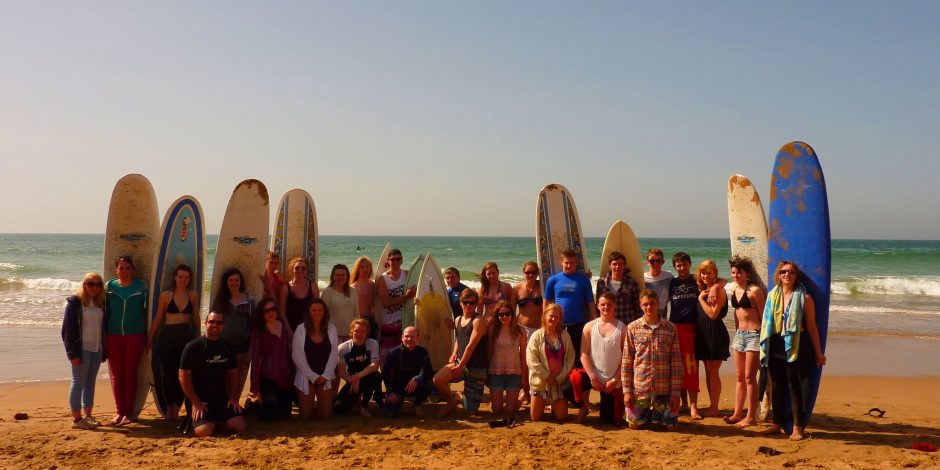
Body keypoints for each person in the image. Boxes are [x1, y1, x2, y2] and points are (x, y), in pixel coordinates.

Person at [759, 261, 826, 441]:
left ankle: (797, 427)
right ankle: (777, 423)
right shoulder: (772, 296)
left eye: (791, 272)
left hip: (796, 345)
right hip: (775, 344)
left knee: (793, 386)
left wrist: (819, 352)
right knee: (777, 386)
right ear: (778, 275)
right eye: (783, 272)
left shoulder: (805, 298)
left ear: (796, 275)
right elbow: (766, 322)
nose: (786, 275)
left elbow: (812, 327)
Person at [179, 312, 246, 437]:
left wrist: (233, 397)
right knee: (204, 431)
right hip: (200, 401)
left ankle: (217, 422)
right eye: (212, 322)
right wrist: (195, 402)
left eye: (219, 322)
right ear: (205, 324)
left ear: (223, 326)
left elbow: (234, 374)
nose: (215, 325)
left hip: (221, 399)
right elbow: (183, 376)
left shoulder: (227, 346)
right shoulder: (193, 347)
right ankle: (207, 422)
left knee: (239, 426)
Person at [622, 290, 682, 430]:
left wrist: (675, 394)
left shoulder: (670, 328)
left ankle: (656, 412)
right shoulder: (632, 328)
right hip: (640, 389)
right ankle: (646, 413)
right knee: (634, 425)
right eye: (645, 304)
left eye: (652, 304)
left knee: (670, 427)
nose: (649, 307)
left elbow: (677, 363)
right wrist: (627, 391)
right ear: (641, 306)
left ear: (658, 304)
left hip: (663, 390)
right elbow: (627, 361)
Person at [148, 264, 200, 421]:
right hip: (168, 337)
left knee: (182, 374)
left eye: (186, 277)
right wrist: (150, 338)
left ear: (189, 279)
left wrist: (199, 335)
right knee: (168, 375)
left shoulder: (193, 295)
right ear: (175, 278)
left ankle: (176, 408)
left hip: (186, 337)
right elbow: (158, 317)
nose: (183, 280)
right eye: (180, 277)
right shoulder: (166, 295)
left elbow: (195, 316)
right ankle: (169, 406)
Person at [104, 255, 148, 425]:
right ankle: (119, 412)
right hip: (113, 335)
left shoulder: (141, 287)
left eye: (128, 268)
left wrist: (147, 336)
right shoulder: (109, 287)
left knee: (130, 375)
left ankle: (128, 413)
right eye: (121, 268)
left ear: (133, 270)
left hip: (134, 336)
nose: (124, 271)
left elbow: (146, 313)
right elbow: (104, 312)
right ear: (116, 270)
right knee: (116, 376)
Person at [725, 255, 767, 428]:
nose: (735, 276)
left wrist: (765, 337)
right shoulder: (735, 290)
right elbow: (737, 313)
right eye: (733, 273)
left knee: (750, 377)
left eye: (739, 272)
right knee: (740, 377)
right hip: (740, 336)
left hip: (754, 335)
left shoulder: (755, 290)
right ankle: (737, 413)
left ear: (747, 274)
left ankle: (751, 416)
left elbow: (765, 315)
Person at [62, 272, 108, 430]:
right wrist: (72, 353)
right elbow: (67, 330)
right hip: (81, 349)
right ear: (84, 285)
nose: (94, 287)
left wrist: (104, 350)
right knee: (78, 383)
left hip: (97, 348)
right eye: (91, 284)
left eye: (98, 284)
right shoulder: (75, 303)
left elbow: (103, 328)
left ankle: (88, 416)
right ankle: (76, 419)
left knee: (90, 383)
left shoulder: (100, 303)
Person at [573, 292, 627, 425]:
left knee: (609, 421)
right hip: (594, 376)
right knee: (572, 382)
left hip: (613, 381)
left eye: (609, 304)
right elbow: (583, 354)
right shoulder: (589, 326)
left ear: (615, 305)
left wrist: (615, 380)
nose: (606, 307)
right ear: (598, 305)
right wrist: (592, 377)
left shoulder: (623, 329)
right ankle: (583, 406)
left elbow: (627, 359)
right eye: (603, 304)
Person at [434, 289, 488, 417]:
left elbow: (470, 345)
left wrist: (460, 365)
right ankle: (452, 400)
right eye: (465, 302)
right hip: (460, 361)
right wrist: (454, 353)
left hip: (476, 366)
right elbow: (459, 338)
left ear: (476, 304)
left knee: (471, 411)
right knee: (438, 379)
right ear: (460, 303)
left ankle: (459, 397)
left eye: (471, 303)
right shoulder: (458, 319)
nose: (468, 305)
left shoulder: (478, 320)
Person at [543, 249, 596, 368]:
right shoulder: (553, 280)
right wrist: (545, 320)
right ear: (561, 262)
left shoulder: (583, 280)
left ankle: (576, 381)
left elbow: (590, 302)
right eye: (566, 262)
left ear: (576, 263)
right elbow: (546, 301)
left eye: (572, 263)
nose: (569, 265)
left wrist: (595, 321)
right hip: (558, 324)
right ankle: (561, 380)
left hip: (577, 324)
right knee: (558, 354)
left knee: (577, 354)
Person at [667, 252, 703, 418]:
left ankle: (694, 406)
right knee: (677, 367)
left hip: (692, 328)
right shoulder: (672, 282)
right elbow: (663, 300)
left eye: (684, 264)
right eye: (678, 265)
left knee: (691, 368)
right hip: (674, 328)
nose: (682, 268)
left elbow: (718, 282)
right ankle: (684, 403)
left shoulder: (697, 280)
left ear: (689, 264)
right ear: (675, 267)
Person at [526, 303, 575, 422]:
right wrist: (546, 376)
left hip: (558, 382)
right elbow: (532, 360)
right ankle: (543, 402)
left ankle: (554, 404)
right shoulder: (537, 335)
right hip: (541, 382)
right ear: (545, 316)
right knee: (535, 417)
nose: (553, 319)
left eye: (557, 317)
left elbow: (570, 358)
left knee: (561, 417)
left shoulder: (564, 335)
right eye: (551, 316)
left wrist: (560, 377)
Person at [292, 298, 339, 420]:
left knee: (326, 415)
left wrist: (326, 375)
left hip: (325, 376)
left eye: (320, 310)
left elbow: (334, 355)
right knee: (305, 417)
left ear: (324, 312)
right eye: (313, 310)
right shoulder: (300, 329)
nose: (317, 313)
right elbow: (297, 357)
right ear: (308, 311)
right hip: (306, 376)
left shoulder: (331, 329)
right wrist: (313, 377)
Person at [248, 297, 294, 421]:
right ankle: (252, 406)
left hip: (285, 377)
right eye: (266, 311)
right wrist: (255, 388)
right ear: (261, 314)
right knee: (270, 417)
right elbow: (255, 360)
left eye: (272, 309)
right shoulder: (258, 332)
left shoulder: (283, 325)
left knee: (285, 416)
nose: (270, 313)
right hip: (268, 378)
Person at [695, 259, 730, 418]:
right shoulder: (705, 289)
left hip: (715, 333)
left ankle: (714, 407)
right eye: (703, 273)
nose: (705, 276)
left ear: (715, 274)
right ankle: (712, 406)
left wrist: (701, 299)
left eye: (709, 273)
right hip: (703, 333)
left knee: (713, 372)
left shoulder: (718, 291)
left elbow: (713, 314)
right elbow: (725, 280)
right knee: (709, 372)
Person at [212, 268, 253, 399]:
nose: (234, 282)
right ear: (226, 282)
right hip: (223, 343)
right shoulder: (221, 300)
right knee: (223, 375)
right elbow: (213, 322)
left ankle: (234, 402)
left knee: (238, 374)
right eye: (231, 280)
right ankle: (224, 403)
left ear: (241, 282)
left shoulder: (248, 300)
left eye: (237, 280)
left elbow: (253, 325)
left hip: (241, 343)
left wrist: (251, 348)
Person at [382, 326, 434, 418]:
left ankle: (417, 403)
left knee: (431, 383)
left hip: (415, 386)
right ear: (402, 338)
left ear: (418, 338)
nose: (409, 339)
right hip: (397, 388)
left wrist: (417, 378)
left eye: (413, 336)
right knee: (389, 415)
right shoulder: (393, 353)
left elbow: (429, 371)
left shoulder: (422, 352)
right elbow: (385, 373)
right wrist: (390, 392)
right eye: (406, 336)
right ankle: (399, 403)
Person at [486, 300, 527, 417]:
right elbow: (490, 351)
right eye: (501, 314)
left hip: (514, 372)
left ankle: (521, 397)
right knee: (496, 410)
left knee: (510, 411)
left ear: (512, 314)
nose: (504, 317)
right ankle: (497, 399)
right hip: (496, 371)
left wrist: (524, 376)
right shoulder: (493, 330)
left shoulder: (520, 331)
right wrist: (487, 372)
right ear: (497, 316)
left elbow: (523, 355)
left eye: (507, 314)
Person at [335, 319, 383, 416]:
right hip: (351, 380)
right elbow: (341, 372)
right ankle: (355, 400)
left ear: (367, 333)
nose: (359, 334)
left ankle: (364, 405)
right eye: (356, 331)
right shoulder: (343, 348)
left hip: (366, 377)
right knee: (338, 409)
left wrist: (358, 377)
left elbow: (374, 366)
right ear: (351, 332)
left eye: (363, 331)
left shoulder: (373, 344)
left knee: (376, 376)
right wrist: (351, 380)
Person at [375, 249, 416, 361]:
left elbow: (416, 295)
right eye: (393, 259)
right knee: (386, 357)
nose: (395, 262)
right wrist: (405, 297)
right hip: (389, 323)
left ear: (402, 260)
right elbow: (386, 303)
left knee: (405, 357)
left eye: (398, 259)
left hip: (405, 322)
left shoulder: (407, 275)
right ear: (388, 261)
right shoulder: (382, 279)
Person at [595, 251, 641, 324]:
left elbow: (638, 305)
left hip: (627, 322)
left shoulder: (631, 282)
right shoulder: (602, 282)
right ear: (610, 265)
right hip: (608, 323)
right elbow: (598, 304)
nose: (617, 267)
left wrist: (638, 324)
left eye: (620, 264)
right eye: (614, 264)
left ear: (624, 265)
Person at [322, 264, 359, 343]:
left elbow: (356, 313)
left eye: (343, 275)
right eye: (337, 275)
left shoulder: (353, 291)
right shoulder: (328, 292)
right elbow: (322, 314)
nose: (340, 277)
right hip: (333, 333)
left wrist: (357, 330)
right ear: (333, 276)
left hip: (350, 333)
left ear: (347, 276)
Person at [280, 257, 318, 332]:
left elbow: (317, 311)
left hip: (309, 329)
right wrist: (289, 333)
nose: (300, 270)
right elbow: (282, 314)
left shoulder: (313, 287)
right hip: (291, 328)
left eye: (303, 268)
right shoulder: (285, 288)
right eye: (297, 268)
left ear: (306, 271)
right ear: (292, 270)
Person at [513, 261, 544, 341]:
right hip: (521, 327)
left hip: (539, 328)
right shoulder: (517, 288)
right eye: (527, 272)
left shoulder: (542, 286)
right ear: (523, 273)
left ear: (537, 273)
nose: (530, 275)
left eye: (533, 272)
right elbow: (511, 308)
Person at [350, 256, 378, 340]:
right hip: (358, 321)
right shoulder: (353, 287)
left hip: (371, 320)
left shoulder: (373, 285)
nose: (365, 269)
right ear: (358, 269)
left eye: (367, 266)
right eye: (362, 267)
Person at [643, 248, 673, 318]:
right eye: (652, 261)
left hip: (663, 316)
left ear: (663, 262)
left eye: (658, 261)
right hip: (646, 316)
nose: (655, 263)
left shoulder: (669, 276)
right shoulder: (642, 278)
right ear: (648, 262)